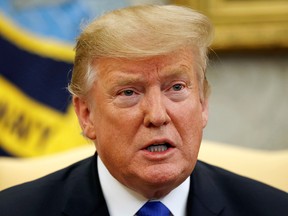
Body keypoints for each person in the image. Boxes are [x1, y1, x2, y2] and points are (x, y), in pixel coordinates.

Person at [0, 4, 287, 216]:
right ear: (86, 115)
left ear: (202, 104)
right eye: (129, 92)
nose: (157, 115)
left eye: (176, 88)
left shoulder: (272, 209)